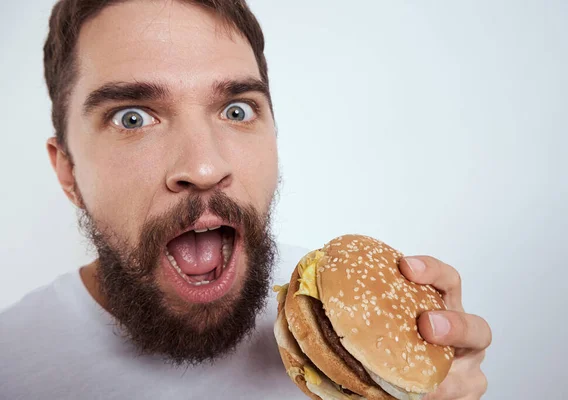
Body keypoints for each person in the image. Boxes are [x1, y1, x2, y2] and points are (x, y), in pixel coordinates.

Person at [0, 0, 492, 399]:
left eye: (236, 110)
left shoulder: (346, 321)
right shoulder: (12, 364)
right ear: (67, 171)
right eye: (132, 118)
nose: (205, 167)